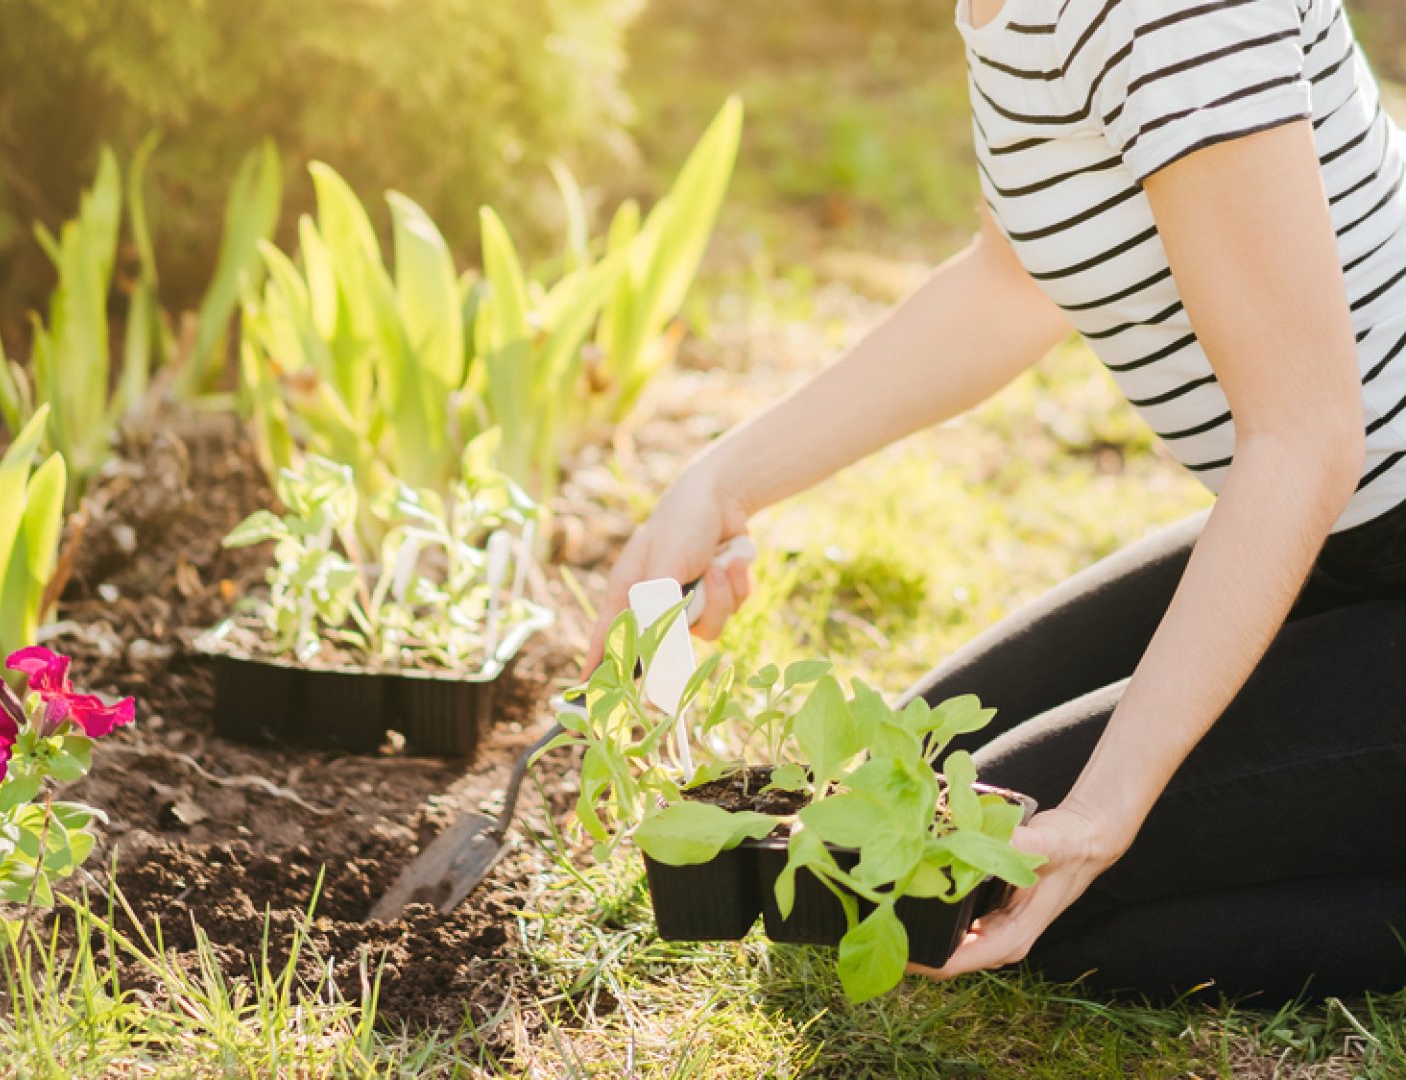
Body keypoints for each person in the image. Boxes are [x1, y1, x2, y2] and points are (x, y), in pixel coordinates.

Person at [588, 0, 1406, 1000]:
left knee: (1029, 896)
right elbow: (1015, 279)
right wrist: (721, 481)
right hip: (1334, 538)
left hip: (1336, 494)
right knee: (916, 792)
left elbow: (1307, 434)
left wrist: (1104, 816)